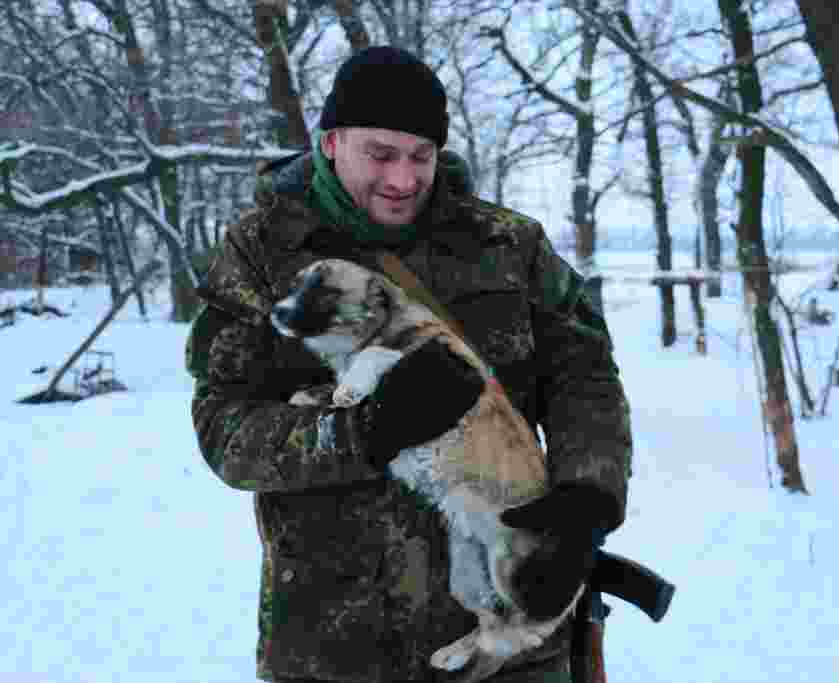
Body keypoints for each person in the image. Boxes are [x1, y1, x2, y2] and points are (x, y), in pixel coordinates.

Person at [185, 45, 632, 683]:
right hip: (333, 645)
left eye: (421, 156)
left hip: (511, 644)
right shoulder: (260, 256)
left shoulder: (509, 245)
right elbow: (224, 429)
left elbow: (585, 379)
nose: (403, 179)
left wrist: (586, 496)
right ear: (331, 141)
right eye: (381, 154)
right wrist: (365, 432)